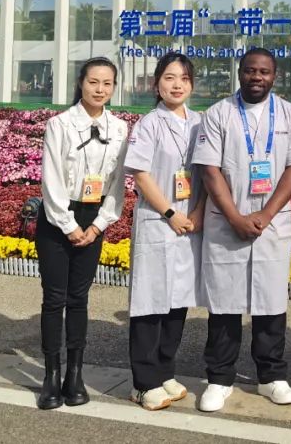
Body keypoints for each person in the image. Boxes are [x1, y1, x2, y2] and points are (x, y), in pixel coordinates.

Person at [191, 48, 291, 412]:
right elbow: (209, 170)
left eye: (264, 72)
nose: (257, 77)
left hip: (272, 224)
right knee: (224, 304)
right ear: (239, 73)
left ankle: (271, 376)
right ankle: (219, 378)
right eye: (250, 71)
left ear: (275, 76)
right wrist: (235, 217)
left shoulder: (289, 114)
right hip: (227, 223)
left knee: (270, 302)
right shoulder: (218, 113)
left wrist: (266, 214)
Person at [36, 57, 128, 410]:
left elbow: (117, 183)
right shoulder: (59, 124)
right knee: (53, 298)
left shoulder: (119, 129)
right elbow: (51, 179)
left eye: (107, 83)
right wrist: (70, 225)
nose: (100, 90)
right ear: (81, 83)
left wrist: (100, 224)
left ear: (114, 87)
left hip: (95, 217)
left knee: (79, 298)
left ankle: (74, 376)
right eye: (93, 82)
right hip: (58, 217)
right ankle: (51, 376)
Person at [124, 52, 204, 411]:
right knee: (150, 301)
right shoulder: (149, 124)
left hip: (189, 224)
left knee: (177, 299)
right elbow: (141, 175)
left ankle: (165, 370)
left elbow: (209, 173)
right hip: (159, 220)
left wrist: (197, 213)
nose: (177, 85)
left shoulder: (200, 123)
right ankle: (143, 383)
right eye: (169, 78)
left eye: (184, 79)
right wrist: (171, 212)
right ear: (157, 84)